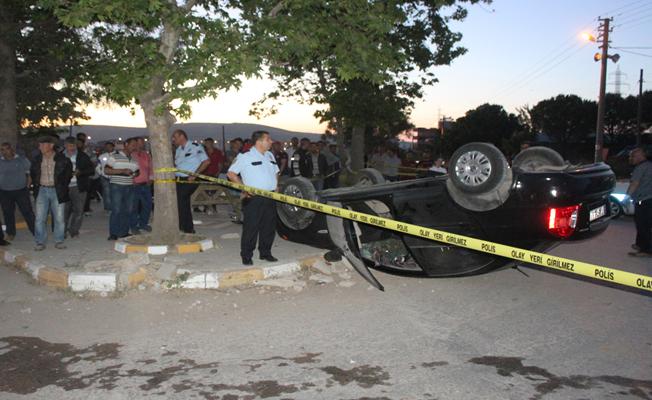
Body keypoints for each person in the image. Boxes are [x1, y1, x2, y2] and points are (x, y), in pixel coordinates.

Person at [227, 130, 279, 266]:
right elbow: (231, 174)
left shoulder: (270, 155)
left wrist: (277, 186)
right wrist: (244, 188)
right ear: (259, 141)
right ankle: (246, 255)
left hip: (271, 196)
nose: (271, 142)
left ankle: (265, 252)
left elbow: (276, 172)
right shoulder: (245, 156)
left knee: (269, 226)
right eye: (268, 139)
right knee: (251, 227)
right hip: (253, 197)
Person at [30, 135, 73, 250]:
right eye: (39, 145)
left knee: (59, 218)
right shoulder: (36, 159)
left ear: (51, 145)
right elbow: (33, 174)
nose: (40, 147)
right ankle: (40, 241)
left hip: (57, 190)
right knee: (39, 218)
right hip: (41, 190)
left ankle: (59, 240)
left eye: (43, 144)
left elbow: (67, 175)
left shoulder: (63, 159)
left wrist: (61, 186)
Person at [172, 129, 210, 234]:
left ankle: (188, 228)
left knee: (182, 200)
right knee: (181, 202)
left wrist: (195, 174)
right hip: (178, 178)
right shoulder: (179, 149)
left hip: (190, 179)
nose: (173, 140)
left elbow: (206, 162)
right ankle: (183, 226)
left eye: (175, 137)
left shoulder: (195, 146)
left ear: (181, 136)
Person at [105, 137, 140, 240]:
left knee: (128, 210)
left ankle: (123, 232)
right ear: (126, 144)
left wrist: (135, 174)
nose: (134, 147)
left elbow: (137, 171)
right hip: (117, 185)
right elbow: (106, 170)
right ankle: (113, 233)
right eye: (133, 144)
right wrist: (122, 171)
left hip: (129, 185)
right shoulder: (115, 157)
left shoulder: (133, 159)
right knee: (116, 210)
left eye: (135, 145)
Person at [0, 142, 35, 240]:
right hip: (4, 192)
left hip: (21, 191)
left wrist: (27, 186)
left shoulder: (21, 160)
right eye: (2, 150)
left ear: (11, 149)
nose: (4, 152)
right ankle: (11, 233)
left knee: (27, 212)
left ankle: (36, 232)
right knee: (7, 213)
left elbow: (30, 173)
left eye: (7, 149)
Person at [62, 137, 94, 238]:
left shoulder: (82, 156)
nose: (71, 148)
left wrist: (80, 172)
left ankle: (74, 231)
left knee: (79, 211)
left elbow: (91, 170)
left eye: (73, 146)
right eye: (69, 146)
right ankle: (62, 231)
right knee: (64, 211)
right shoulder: (60, 156)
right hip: (64, 187)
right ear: (65, 145)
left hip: (79, 186)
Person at [627, 147, 652, 257]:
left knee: (642, 225)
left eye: (633, 156)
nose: (631, 159)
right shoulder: (649, 165)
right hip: (649, 199)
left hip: (644, 200)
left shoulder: (640, 168)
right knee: (643, 224)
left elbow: (635, 183)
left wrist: (627, 197)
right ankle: (640, 244)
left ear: (639, 156)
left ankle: (646, 250)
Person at [130, 137, 153, 233]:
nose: (141, 144)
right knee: (134, 206)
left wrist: (151, 179)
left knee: (147, 205)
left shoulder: (146, 155)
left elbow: (151, 168)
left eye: (143, 143)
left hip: (146, 184)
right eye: (140, 142)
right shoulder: (131, 155)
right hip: (134, 184)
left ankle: (143, 224)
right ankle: (134, 226)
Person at [97, 141, 115, 211]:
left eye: (109, 146)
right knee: (107, 192)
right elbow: (98, 166)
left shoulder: (117, 155)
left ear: (113, 147)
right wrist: (101, 173)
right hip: (105, 177)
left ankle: (114, 206)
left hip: (114, 177)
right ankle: (108, 208)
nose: (108, 148)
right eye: (106, 147)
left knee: (114, 192)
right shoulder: (102, 156)